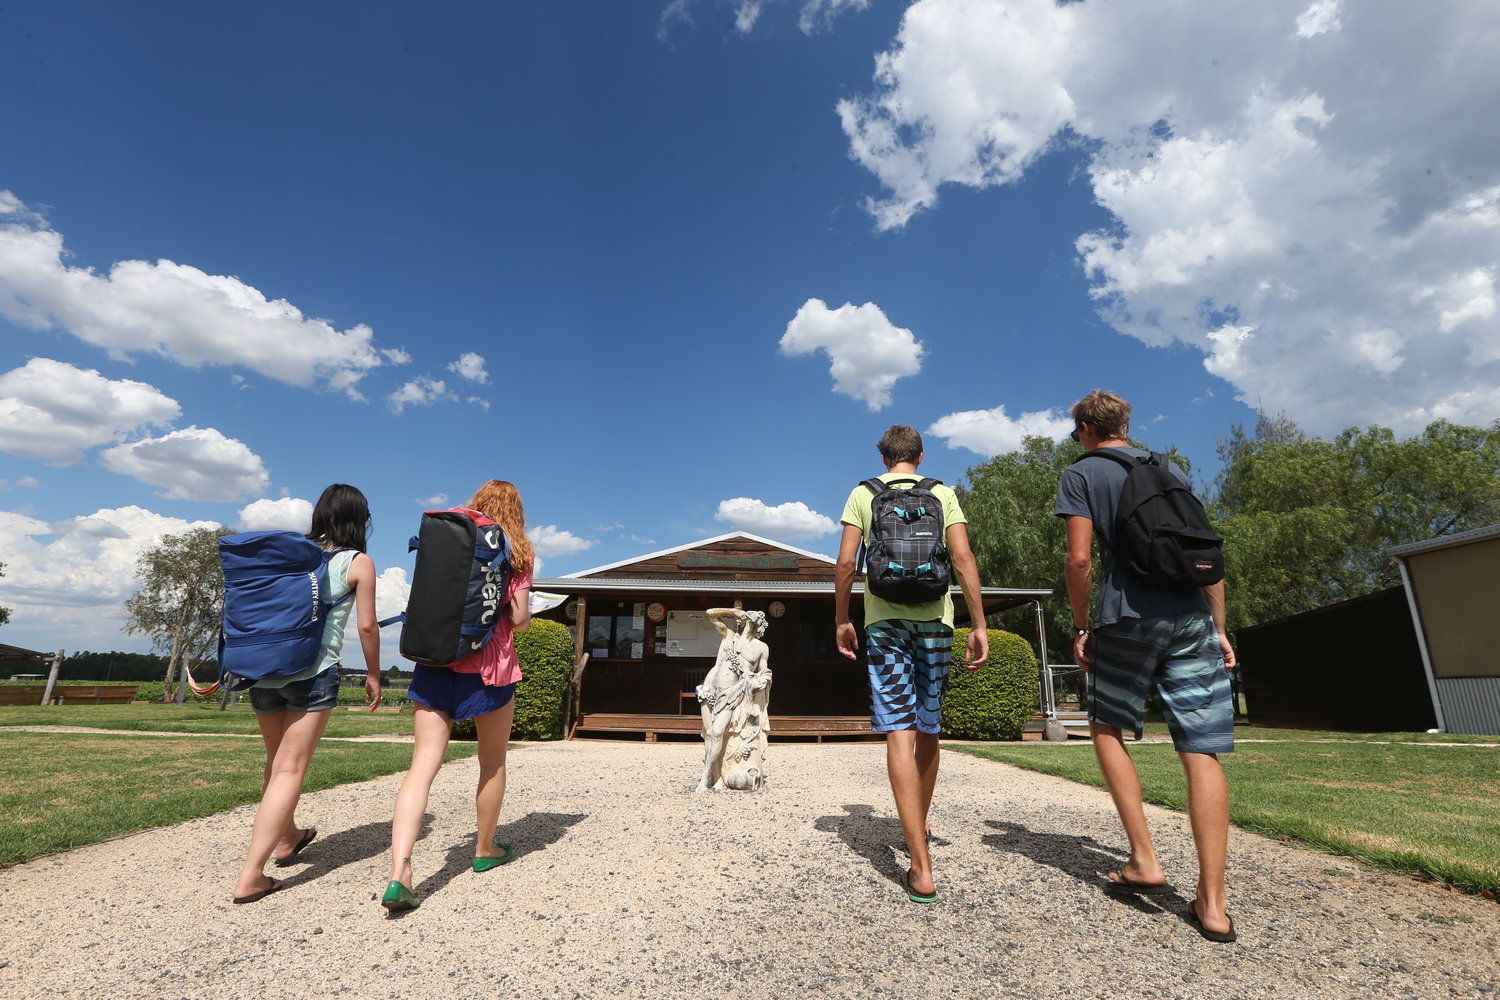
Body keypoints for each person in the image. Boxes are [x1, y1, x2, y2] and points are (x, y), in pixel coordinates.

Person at [1054, 390, 1239, 943]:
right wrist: (1219, 626)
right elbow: (1203, 551)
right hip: (1189, 617)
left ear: (1086, 427)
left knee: (1107, 726)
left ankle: (1144, 859)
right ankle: (1212, 902)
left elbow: (1080, 558)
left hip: (1126, 618)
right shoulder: (1169, 468)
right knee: (1200, 750)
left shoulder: (1082, 473)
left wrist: (1083, 625)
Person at [834, 425, 988, 904]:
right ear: (920, 456)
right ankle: (917, 829)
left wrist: (842, 618)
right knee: (928, 727)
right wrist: (978, 623)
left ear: (883, 457)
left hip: (885, 625)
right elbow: (962, 558)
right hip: (936, 624)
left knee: (898, 731)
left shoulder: (863, 493)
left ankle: (920, 867)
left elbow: (844, 564)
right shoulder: (942, 493)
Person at [381, 479, 533, 912]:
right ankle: (485, 850)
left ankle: (400, 872)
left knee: (421, 768)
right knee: (492, 762)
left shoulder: (450, 536)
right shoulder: (517, 550)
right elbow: (520, 620)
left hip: (435, 660)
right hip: (489, 669)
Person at [232, 483, 383, 904]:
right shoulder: (357, 562)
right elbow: (367, 627)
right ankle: (251, 876)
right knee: (289, 769)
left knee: (276, 761)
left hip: (263, 672)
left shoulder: (291, 554)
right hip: (313, 673)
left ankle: (289, 838)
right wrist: (374, 674)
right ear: (360, 519)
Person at [696, 607, 772, 793]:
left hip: (734, 693)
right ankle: (716, 779)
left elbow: (764, 673)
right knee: (709, 733)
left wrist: (758, 680)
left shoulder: (761, 647)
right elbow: (710, 613)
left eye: (756, 615)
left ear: (760, 623)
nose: (751, 616)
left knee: (716, 732)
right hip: (711, 689)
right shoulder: (729, 636)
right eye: (749, 615)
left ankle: (705, 779)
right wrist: (733, 611)